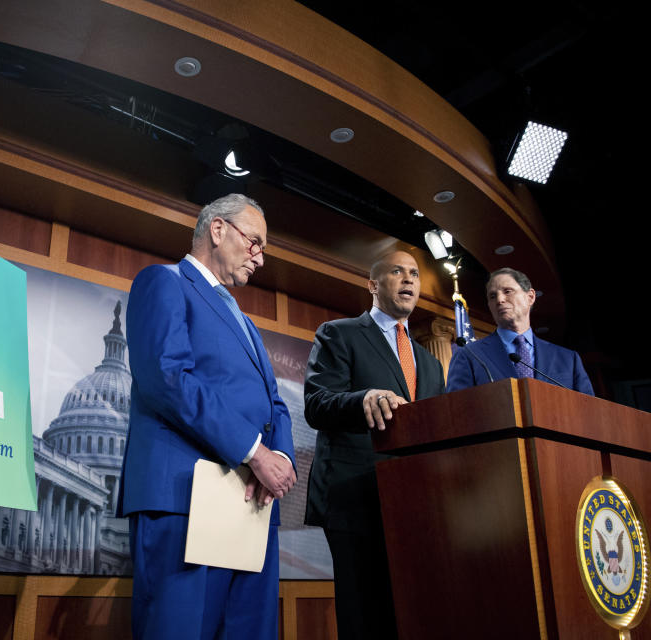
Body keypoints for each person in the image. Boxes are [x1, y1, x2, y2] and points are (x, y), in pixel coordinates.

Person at [117, 193, 296, 640]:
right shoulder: (164, 282)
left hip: (252, 502)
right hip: (184, 501)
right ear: (218, 230)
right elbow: (167, 377)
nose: (259, 258)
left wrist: (283, 460)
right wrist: (254, 451)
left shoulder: (246, 322)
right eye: (254, 243)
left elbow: (275, 402)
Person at [303, 250, 445, 639]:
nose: (408, 280)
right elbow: (316, 404)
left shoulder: (429, 363)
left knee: (411, 616)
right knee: (365, 617)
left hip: (414, 505)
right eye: (397, 271)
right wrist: (360, 399)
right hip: (355, 498)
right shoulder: (339, 333)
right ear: (373, 284)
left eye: (414, 273)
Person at [446, 267, 594, 394]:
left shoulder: (568, 359)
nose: (500, 300)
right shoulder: (469, 355)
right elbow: (458, 413)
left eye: (507, 291)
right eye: (493, 296)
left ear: (530, 297)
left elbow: (588, 411)